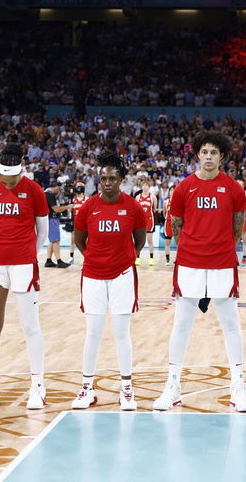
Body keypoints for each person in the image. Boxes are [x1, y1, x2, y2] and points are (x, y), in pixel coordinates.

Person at [153, 132, 246, 412]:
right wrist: (194, 248)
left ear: (222, 156)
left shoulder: (233, 188)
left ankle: (238, 385)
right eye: (205, 152)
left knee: (231, 325)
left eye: (214, 152)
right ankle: (172, 386)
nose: (209, 156)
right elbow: (176, 225)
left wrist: (220, 247)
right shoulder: (184, 187)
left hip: (222, 263)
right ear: (198, 154)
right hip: (190, 263)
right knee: (181, 325)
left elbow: (237, 226)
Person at [0, 144, 49, 410]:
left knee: (30, 327)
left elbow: (42, 233)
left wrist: (27, 254)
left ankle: (38, 386)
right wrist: (0, 246)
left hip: (23, 264)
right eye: (4, 179)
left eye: (12, 180)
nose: (7, 184)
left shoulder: (35, 191)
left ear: (21, 169)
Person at [72, 154, 146, 411]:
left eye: (112, 178)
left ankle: (126, 389)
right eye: (103, 179)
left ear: (121, 180)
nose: (107, 183)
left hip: (123, 277)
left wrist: (124, 259)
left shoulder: (133, 207)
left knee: (121, 333)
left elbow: (140, 240)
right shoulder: (88, 207)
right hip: (92, 276)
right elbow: (80, 240)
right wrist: (95, 258)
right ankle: (87, 388)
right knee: (92, 332)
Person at [44, 180, 70, 268]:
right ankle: (59, 261)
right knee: (56, 240)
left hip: (48, 218)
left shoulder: (46, 193)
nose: (59, 190)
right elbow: (56, 209)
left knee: (52, 241)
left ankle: (48, 260)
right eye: (58, 188)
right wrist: (68, 207)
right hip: (52, 219)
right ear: (55, 187)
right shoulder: (49, 194)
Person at [136, 180, 156, 268]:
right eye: (143, 185)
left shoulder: (152, 197)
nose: (144, 187)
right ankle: (137, 258)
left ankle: (151, 258)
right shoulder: (137, 197)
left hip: (149, 220)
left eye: (146, 185)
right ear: (141, 187)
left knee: (149, 241)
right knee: (139, 241)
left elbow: (154, 209)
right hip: (140, 221)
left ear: (149, 187)